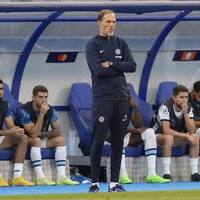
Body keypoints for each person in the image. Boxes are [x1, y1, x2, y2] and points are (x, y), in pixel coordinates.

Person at [86, 9, 136, 192]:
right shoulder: (92, 45)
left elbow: (132, 66)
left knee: (118, 141)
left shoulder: (121, 43)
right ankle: (94, 183)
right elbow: (98, 71)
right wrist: (119, 67)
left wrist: (113, 64)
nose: (111, 25)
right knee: (98, 140)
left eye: (114, 22)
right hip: (102, 99)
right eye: (108, 22)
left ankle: (114, 183)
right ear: (99, 23)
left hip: (121, 98)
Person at [106, 85, 170, 184]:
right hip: (108, 139)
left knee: (149, 132)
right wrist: (136, 131)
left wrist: (135, 107)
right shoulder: (110, 106)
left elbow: (139, 125)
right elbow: (115, 129)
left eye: (128, 94)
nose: (126, 96)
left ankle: (151, 174)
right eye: (124, 93)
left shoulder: (127, 105)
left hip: (124, 135)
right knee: (118, 137)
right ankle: (122, 175)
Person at [16, 85, 78, 186]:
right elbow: (32, 134)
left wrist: (41, 133)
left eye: (46, 97)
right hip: (23, 140)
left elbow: (58, 131)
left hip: (39, 139)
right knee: (36, 139)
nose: (44, 100)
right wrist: (41, 114)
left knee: (61, 140)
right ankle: (40, 177)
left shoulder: (50, 109)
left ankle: (61, 177)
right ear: (33, 98)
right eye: (40, 97)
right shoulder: (24, 110)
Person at [155, 85, 200, 182]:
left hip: (175, 136)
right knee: (168, 137)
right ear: (174, 98)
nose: (184, 100)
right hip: (158, 136)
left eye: (186, 97)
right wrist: (185, 136)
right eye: (181, 97)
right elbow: (166, 130)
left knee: (195, 137)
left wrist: (185, 113)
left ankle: (194, 173)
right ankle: (166, 173)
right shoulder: (165, 107)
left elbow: (192, 130)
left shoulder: (188, 107)